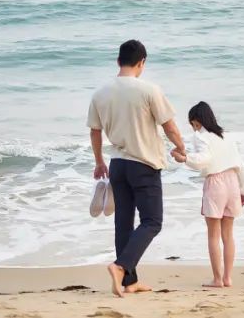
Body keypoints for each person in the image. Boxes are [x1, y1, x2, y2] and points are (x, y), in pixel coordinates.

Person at [88, 39, 187, 298]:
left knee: (123, 223)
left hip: (117, 165)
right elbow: (169, 126)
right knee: (152, 221)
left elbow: (95, 132)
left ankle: (129, 282)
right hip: (144, 164)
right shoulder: (149, 90)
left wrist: (99, 161)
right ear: (142, 62)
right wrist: (181, 147)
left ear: (118, 61)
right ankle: (120, 266)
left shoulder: (100, 93)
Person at [172, 101, 244, 289]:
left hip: (216, 183)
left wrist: (184, 158)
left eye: (193, 124)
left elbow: (203, 159)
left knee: (213, 236)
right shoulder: (227, 136)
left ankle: (217, 279)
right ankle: (228, 278)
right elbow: (241, 165)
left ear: (196, 121)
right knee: (228, 235)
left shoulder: (201, 136)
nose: (193, 128)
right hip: (233, 182)